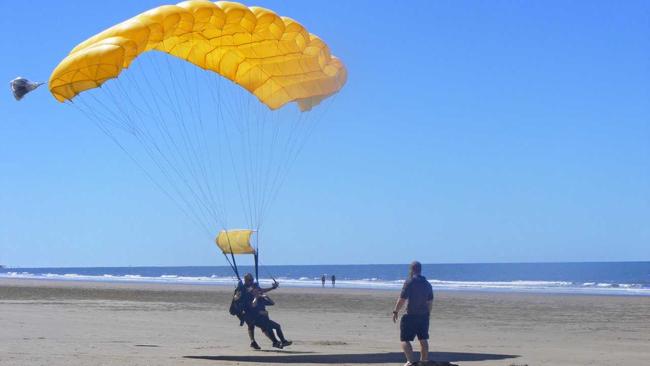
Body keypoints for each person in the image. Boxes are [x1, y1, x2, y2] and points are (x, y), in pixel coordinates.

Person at [392, 261, 433, 366]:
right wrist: (428, 314)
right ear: (420, 270)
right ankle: (424, 361)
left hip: (410, 315)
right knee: (423, 339)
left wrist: (396, 311)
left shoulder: (409, 282)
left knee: (405, 339)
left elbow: (402, 299)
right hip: (423, 315)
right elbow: (430, 302)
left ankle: (410, 361)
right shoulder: (427, 284)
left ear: (411, 270)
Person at [240, 273, 291, 349]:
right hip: (250, 314)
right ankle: (274, 342)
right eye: (250, 280)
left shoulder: (255, 288)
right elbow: (252, 303)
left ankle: (276, 342)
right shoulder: (244, 289)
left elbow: (262, 291)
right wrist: (256, 297)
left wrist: (272, 288)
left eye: (252, 279)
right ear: (246, 280)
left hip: (259, 315)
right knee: (257, 326)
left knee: (267, 327)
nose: (251, 281)